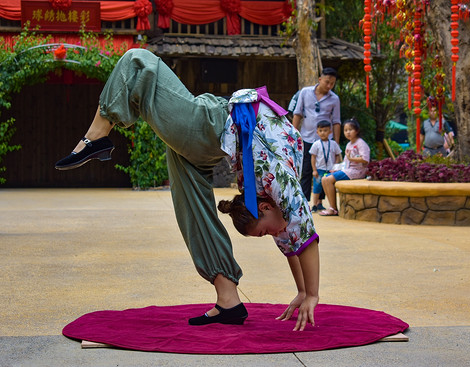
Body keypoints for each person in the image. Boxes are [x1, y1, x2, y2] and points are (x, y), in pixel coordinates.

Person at [54, 48, 319, 331]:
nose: (272, 234)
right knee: (138, 61)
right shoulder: (281, 184)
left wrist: (302, 291)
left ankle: (228, 298)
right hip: (211, 123)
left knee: (193, 207)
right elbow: (306, 236)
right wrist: (312, 294)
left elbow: (293, 242)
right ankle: (97, 136)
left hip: (211, 143)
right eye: (266, 231)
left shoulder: (270, 204)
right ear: (264, 209)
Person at [291, 67, 341, 202]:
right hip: (306, 137)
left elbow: (336, 121)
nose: (329, 86)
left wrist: (335, 143)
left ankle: (320, 202)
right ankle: (304, 200)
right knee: (306, 169)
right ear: (320, 79)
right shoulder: (305, 92)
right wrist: (293, 136)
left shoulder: (334, 99)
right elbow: (297, 114)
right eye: (327, 82)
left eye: (332, 84)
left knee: (325, 170)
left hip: (326, 141)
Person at [320, 118, 370, 216]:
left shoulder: (360, 143)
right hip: (348, 170)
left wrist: (352, 159)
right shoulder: (349, 144)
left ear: (357, 130)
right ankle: (332, 207)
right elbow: (346, 162)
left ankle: (333, 209)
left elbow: (365, 159)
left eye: (350, 130)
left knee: (328, 179)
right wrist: (337, 169)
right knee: (324, 178)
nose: (348, 132)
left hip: (357, 171)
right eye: (345, 130)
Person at [309, 120, 342, 212]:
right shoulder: (316, 144)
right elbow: (313, 158)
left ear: (330, 132)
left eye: (325, 130)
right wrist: (314, 170)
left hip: (330, 170)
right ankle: (314, 205)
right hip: (319, 169)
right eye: (320, 130)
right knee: (317, 187)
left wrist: (335, 167)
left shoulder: (334, 144)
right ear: (317, 132)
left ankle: (320, 204)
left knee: (326, 188)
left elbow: (337, 155)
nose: (323, 133)